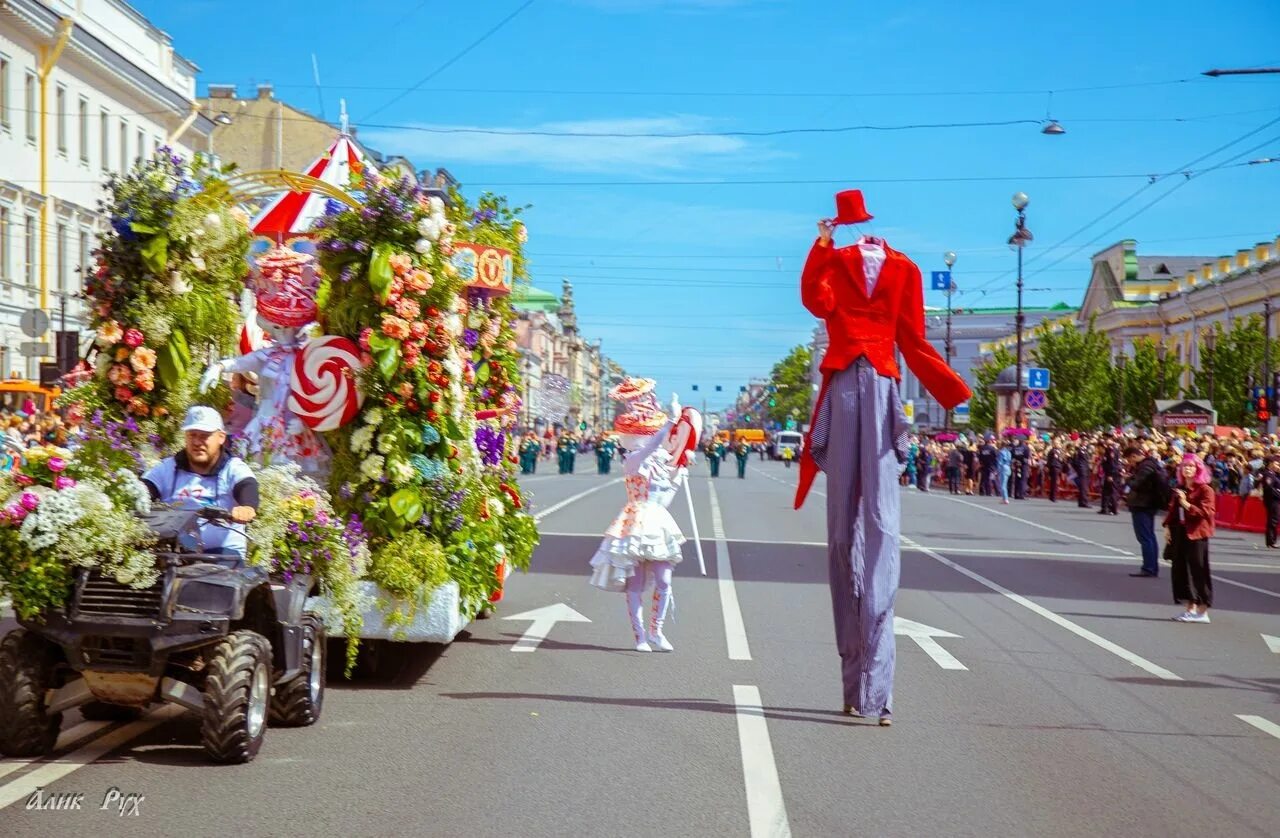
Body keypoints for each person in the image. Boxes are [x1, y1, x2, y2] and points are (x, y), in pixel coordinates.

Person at [795, 194, 970, 726]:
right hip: (847, 383)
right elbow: (818, 303)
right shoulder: (843, 261)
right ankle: (856, 684)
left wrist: (950, 391)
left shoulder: (904, 269)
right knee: (847, 535)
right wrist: (822, 246)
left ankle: (875, 691)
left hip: (879, 388)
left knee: (879, 529)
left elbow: (912, 336)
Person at [588, 389, 692, 652]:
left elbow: (664, 496)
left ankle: (657, 630)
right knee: (635, 583)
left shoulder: (659, 465)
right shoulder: (633, 460)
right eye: (643, 433)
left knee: (665, 579)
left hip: (658, 521)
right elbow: (655, 444)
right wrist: (670, 421)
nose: (647, 437)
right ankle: (640, 635)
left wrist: (680, 474)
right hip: (634, 521)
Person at [141, 406, 258, 560]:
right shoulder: (169, 467)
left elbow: (246, 485)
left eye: (204, 436)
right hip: (173, 551)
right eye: (192, 435)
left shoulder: (233, 467)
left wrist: (247, 508)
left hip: (221, 554)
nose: (197, 442)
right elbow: (143, 489)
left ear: (221, 437)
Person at [1164, 454, 1215, 623]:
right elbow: (1172, 511)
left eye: (1191, 466)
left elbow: (1206, 512)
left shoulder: (1205, 489)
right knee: (1181, 571)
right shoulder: (1180, 488)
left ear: (1198, 469)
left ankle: (1202, 611)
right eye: (1185, 466)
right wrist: (1167, 527)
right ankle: (1189, 608)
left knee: (1198, 571)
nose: (1187, 469)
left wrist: (1186, 504)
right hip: (1180, 532)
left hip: (1197, 534)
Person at [1124, 444, 1168, 578]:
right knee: (1148, 536)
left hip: (1143, 505)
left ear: (1134, 456)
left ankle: (1149, 567)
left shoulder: (1146, 467)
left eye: (1130, 460)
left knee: (1145, 537)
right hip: (1147, 504)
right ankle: (1151, 566)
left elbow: (1137, 484)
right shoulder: (1150, 465)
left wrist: (1128, 478)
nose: (1130, 463)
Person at [1262, 457, 1280, 548]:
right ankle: (1271, 540)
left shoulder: (1274, 474)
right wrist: (1278, 494)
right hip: (1272, 500)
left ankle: (1271, 540)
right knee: (1273, 520)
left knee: (1274, 520)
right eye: (1276, 464)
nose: (1278, 465)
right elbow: (1269, 488)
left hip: (1275, 500)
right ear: (1271, 463)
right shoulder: (1268, 474)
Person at [1074, 442, 1092, 508]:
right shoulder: (1080, 451)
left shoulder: (1086, 450)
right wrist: (1079, 469)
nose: (1086, 443)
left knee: (1083, 487)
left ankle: (1081, 501)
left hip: (1086, 470)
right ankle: (1084, 502)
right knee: (1083, 487)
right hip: (1083, 470)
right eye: (1084, 441)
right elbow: (1075, 461)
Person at [1046, 437, 1062, 502]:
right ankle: (1053, 497)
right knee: (1054, 483)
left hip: (1057, 467)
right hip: (1054, 467)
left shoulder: (1059, 451)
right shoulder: (1053, 451)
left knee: (1054, 482)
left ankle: (1052, 496)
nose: (1059, 445)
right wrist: (1048, 467)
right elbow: (1050, 460)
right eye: (1058, 443)